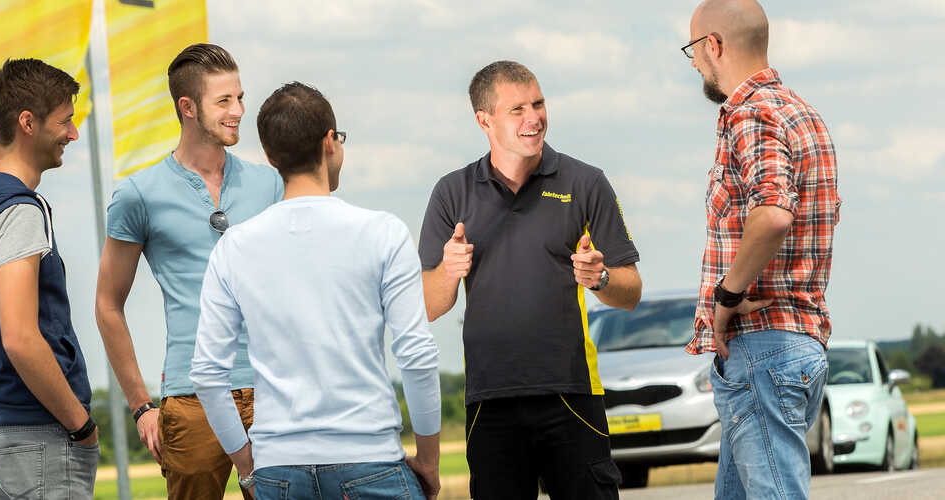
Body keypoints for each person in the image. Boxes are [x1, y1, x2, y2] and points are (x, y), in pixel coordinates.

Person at [190, 81, 442, 500]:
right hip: (369, 456)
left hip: (278, 467)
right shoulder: (383, 233)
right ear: (330, 143)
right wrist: (429, 459)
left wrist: (249, 465)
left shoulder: (234, 246)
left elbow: (206, 374)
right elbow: (415, 355)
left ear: (270, 157)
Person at [419, 60, 643, 499]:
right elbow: (427, 306)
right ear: (484, 120)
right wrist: (449, 270)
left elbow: (631, 291)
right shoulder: (452, 192)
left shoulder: (586, 182)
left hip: (572, 393)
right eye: (517, 109)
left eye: (538, 104)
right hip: (490, 401)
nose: (534, 118)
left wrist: (600, 278)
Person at [95, 43, 283, 499]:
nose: (239, 110)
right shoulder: (139, 194)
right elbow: (107, 304)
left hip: (272, 391)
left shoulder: (269, 182)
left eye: (240, 97)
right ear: (188, 108)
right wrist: (141, 406)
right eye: (224, 101)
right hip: (190, 394)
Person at [683, 1, 841, 498]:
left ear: (715, 45)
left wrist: (726, 298)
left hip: (763, 347)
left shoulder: (749, 115)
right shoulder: (803, 113)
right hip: (795, 343)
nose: (692, 64)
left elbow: (772, 213)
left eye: (692, 49)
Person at [0, 58, 98, 499]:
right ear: (27, 123)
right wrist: (81, 425)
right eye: (65, 121)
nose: (73, 133)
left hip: (6, 429)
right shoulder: (19, 208)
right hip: (40, 434)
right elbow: (19, 336)